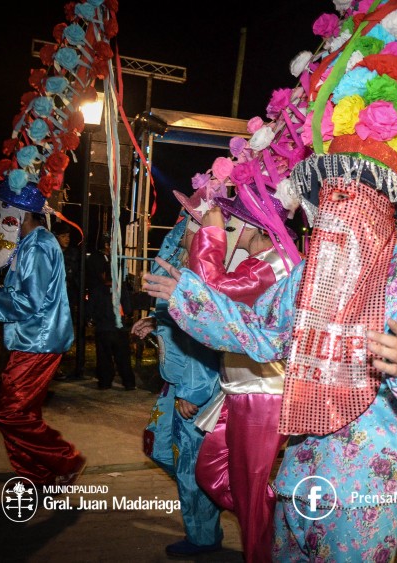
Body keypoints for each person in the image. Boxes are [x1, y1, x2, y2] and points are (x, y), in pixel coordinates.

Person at [146, 4, 397, 558]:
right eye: (328, 197)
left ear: (384, 205)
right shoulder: (317, 271)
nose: (335, 210)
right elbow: (264, 334)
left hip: (370, 483)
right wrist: (191, 296)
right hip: (304, 467)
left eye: (351, 196)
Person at [187, 192, 297, 563]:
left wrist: (211, 236)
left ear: (253, 224)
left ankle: (265, 551)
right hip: (239, 388)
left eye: (232, 222)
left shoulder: (275, 264)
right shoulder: (262, 262)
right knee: (211, 472)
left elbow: (209, 294)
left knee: (248, 494)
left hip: (262, 392)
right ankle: (288, 526)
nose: (229, 229)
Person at [0, 184, 84, 486]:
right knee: (23, 414)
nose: (0, 213)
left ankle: (65, 460)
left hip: (37, 343)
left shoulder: (38, 246)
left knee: (9, 414)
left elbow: (27, 303)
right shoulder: (30, 242)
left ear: (21, 214)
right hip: (32, 340)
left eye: (5, 208)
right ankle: (38, 476)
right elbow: (27, 295)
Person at [133, 214, 224, 557]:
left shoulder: (203, 271)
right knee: (159, 448)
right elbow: (179, 319)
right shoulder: (184, 262)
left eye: (189, 222)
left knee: (190, 466)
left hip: (192, 388)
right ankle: (211, 506)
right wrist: (154, 323)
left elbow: (206, 335)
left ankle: (204, 534)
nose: (179, 228)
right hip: (176, 384)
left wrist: (195, 391)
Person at [86, 237, 135, 391]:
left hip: (103, 329)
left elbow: (89, 310)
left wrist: (89, 320)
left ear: (103, 275)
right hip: (119, 330)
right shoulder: (121, 289)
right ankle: (129, 383)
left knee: (104, 358)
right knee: (123, 358)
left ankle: (105, 382)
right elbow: (127, 308)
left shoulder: (97, 290)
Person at [52, 222, 85, 381]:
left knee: (65, 331)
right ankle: (53, 366)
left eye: (68, 236)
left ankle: (59, 363)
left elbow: (77, 276)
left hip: (68, 297)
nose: (67, 239)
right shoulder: (51, 252)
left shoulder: (73, 254)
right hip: (53, 298)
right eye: (63, 236)